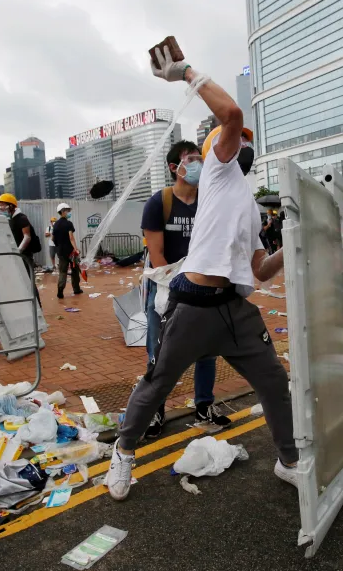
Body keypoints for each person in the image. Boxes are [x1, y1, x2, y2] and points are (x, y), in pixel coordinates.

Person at [106, 45, 297, 500]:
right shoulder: (216, 170)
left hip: (235, 309)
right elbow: (230, 112)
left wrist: (293, 240)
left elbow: (261, 272)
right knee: (158, 383)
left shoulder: (249, 206)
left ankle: (289, 460)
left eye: (246, 140)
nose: (242, 142)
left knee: (274, 381)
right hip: (192, 305)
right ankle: (124, 452)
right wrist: (184, 72)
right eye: (236, 138)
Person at [139, 139, 230, 437]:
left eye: (198, 158)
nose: (197, 164)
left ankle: (204, 405)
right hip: (166, 287)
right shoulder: (159, 202)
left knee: (206, 350)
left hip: (203, 285)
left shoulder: (210, 199)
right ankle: (155, 410)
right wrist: (178, 289)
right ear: (174, 167)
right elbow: (157, 254)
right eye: (191, 158)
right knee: (160, 350)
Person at [52, 203, 82, 299]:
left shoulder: (55, 224)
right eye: (67, 211)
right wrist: (76, 249)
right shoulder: (68, 224)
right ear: (63, 211)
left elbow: (53, 238)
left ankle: (60, 290)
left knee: (63, 272)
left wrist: (58, 245)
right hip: (71, 252)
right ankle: (76, 289)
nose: (69, 212)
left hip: (61, 252)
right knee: (74, 270)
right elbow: (71, 238)